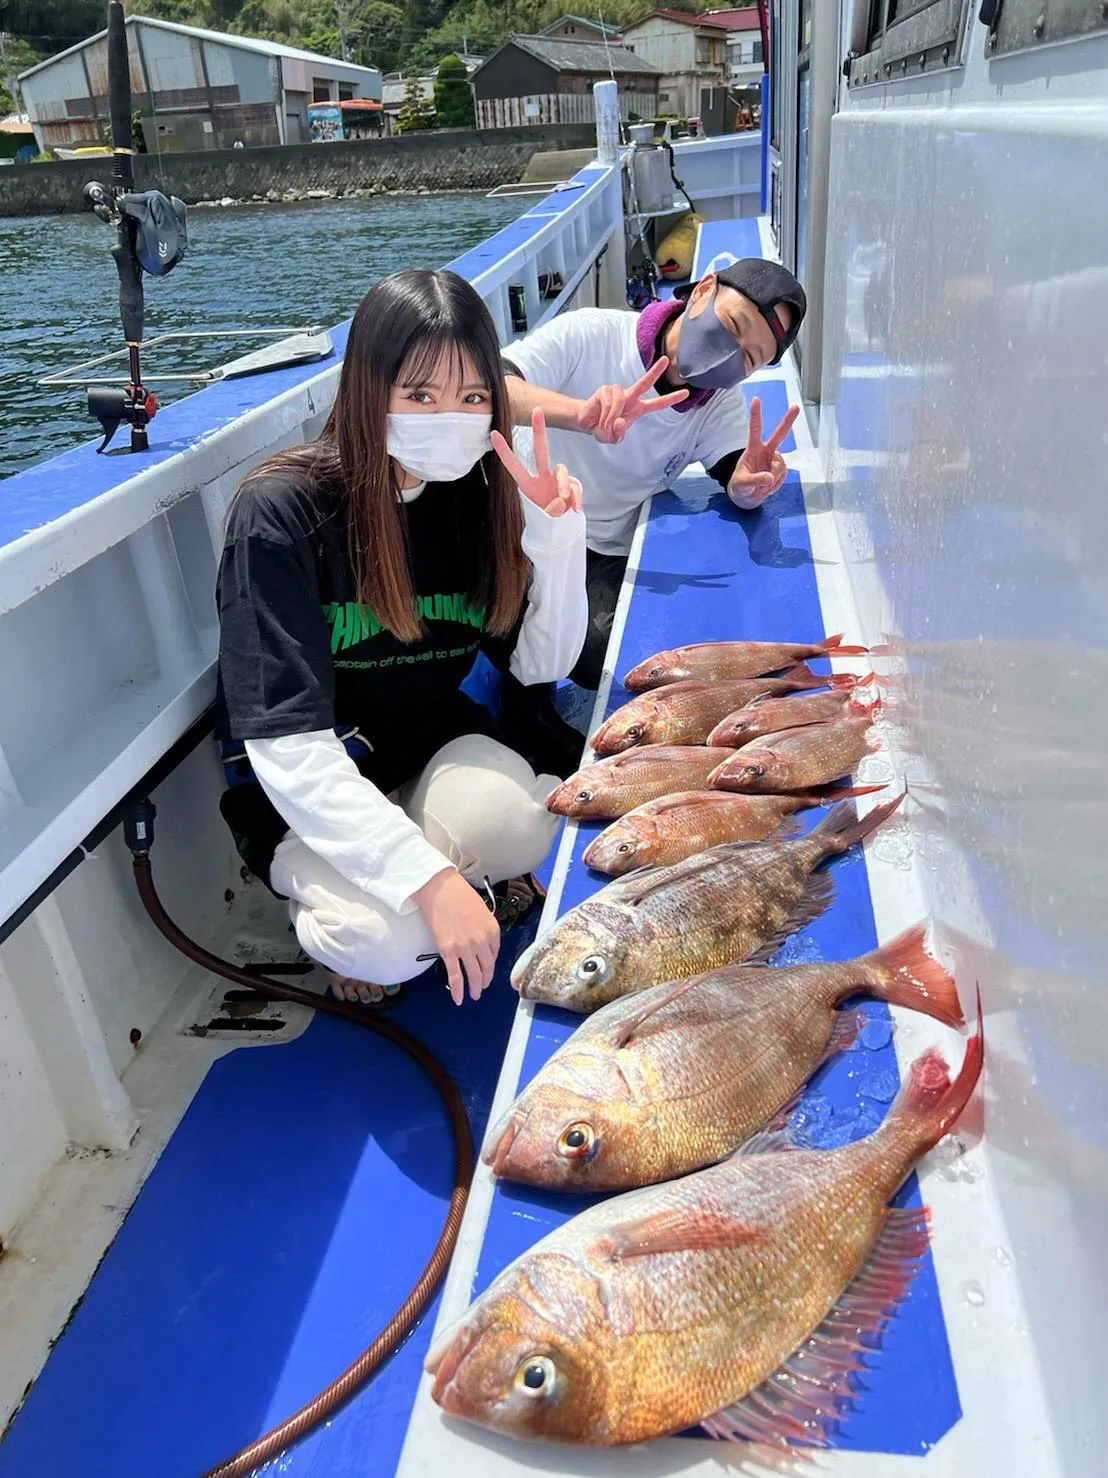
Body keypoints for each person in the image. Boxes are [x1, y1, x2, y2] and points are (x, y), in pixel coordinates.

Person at [215, 268, 588, 1008]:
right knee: (390, 944)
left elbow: (544, 664)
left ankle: (446, 868)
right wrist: (432, 883)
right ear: (366, 389)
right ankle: (358, 898)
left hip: (428, 747)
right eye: (419, 394)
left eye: (473, 397)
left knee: (526, 829)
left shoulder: (480, 497)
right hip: (309, 784)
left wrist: (555, 533)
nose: (447, 417)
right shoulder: (281, 513)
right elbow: (289, 748)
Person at [494, 257, 806, 769]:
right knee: (509, 630)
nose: (732, 356)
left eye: (750, 358)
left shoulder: (719, 403)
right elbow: (497, 387)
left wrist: (751, 486)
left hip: (602, 548)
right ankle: (520, 707)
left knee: (609, 658)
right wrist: (582, 416)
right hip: (523, 526)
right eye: (732, 327)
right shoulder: (590, 334)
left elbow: (734, 472)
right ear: (703, 289)